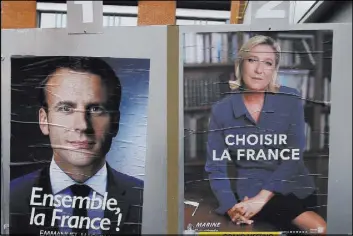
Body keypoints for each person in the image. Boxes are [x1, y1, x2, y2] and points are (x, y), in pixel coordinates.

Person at [205, 35, 327, 233]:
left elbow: (293, 155)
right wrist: (230, 208)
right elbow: (215, 167)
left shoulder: (290, 98)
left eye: (268, 63)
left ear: (274, 70)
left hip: (294, 188)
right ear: (241, 64)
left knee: (320, 229)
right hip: (250, 193)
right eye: (252, 60)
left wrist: (260, 199)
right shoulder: (222, 110)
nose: (259, 70)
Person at [10, 57, 144, 235]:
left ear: (115, 122)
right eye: (66, 108)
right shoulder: (10, 197)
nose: (82, 125)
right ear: (44, 120)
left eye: (96, 109)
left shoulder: (145, 198)